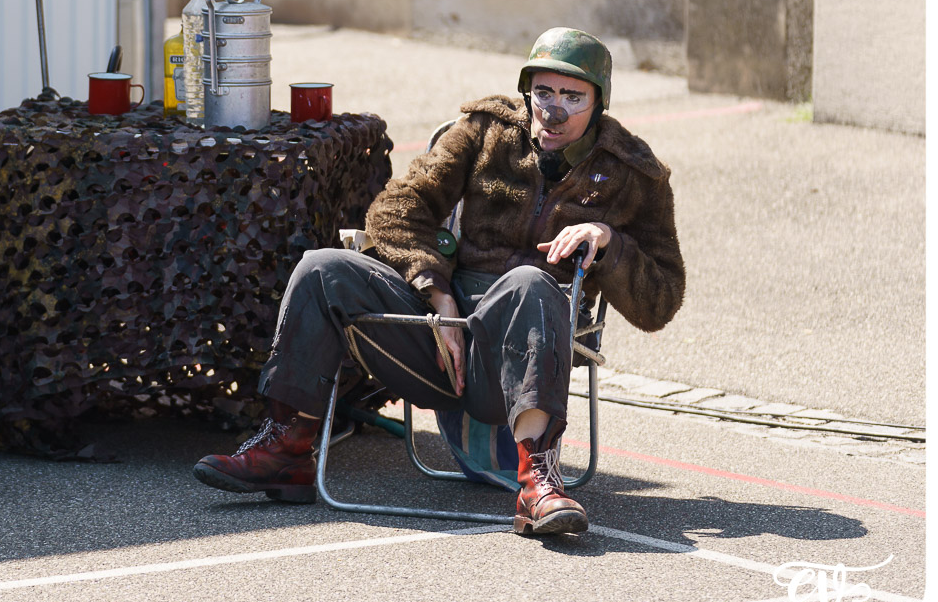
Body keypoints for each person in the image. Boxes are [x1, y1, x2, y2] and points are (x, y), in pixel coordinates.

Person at [192, 27, 684, 535]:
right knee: (322, 268)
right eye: (544, 92)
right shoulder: (486, 131)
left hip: (518, 353)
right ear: (526, 91)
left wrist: (608, 240)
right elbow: (395, 208)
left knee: (532, 281)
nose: (553, 110)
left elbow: (662, 301)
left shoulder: (634, 173)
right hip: (435, 338)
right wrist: (438, 293)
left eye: (572, 96)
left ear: (599, 102)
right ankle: (287, 447)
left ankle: (538, 480)